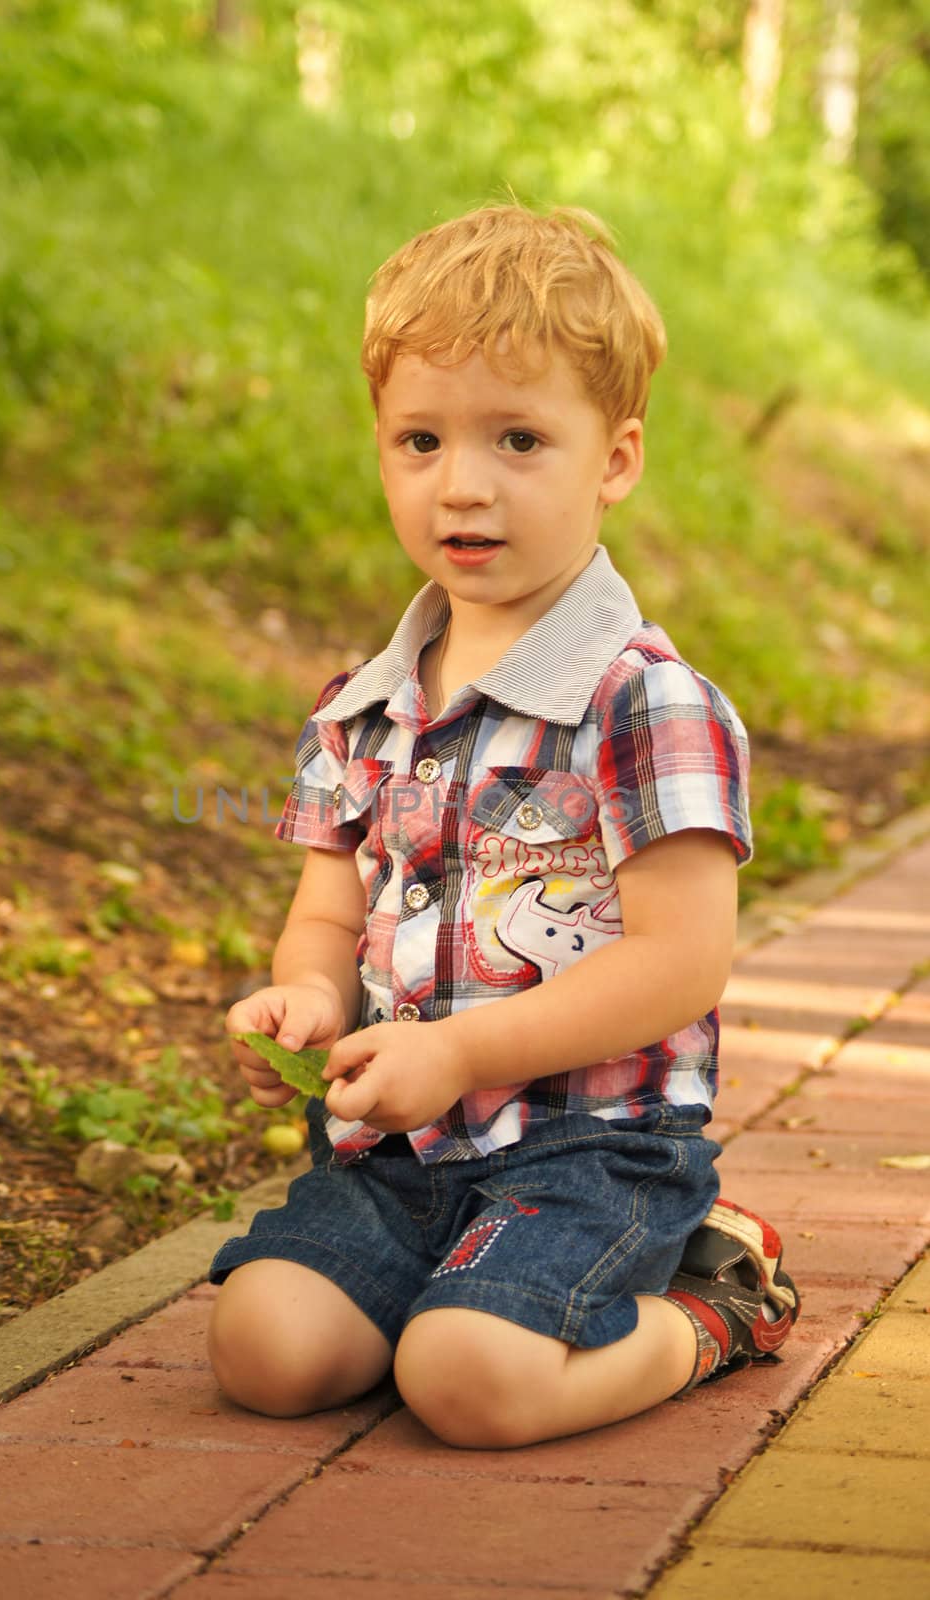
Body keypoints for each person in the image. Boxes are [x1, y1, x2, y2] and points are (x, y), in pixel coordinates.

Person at [206, 203, 799, 1449]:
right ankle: (454, 1283)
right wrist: (310, 994)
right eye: (419, 439)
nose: (461, 485)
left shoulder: (644, 702)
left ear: (615, 459)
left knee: (468, 1381)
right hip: (400, 1150)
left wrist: (467, 1055)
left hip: (589, 1148)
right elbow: (327, 907)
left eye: (518, 438)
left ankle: (711, 1300)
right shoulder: (362, 708)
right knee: (263, 1346)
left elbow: (681, 962)